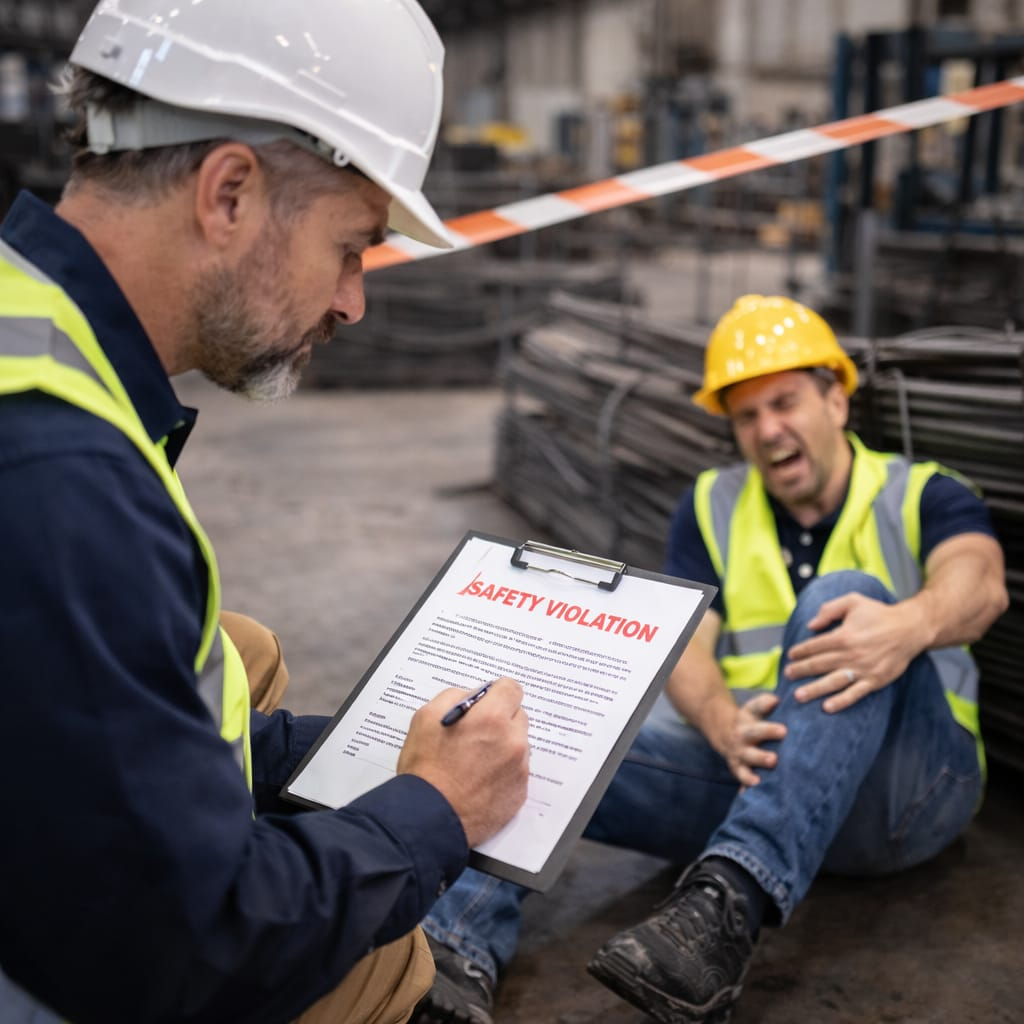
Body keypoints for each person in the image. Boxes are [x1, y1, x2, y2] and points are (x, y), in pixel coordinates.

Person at [0, 2, 532, 1023]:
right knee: (382, 961)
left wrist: (364, 754)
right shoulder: (60, 481)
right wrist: (434, 810)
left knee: (238, 652)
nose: (352, 302)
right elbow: (191, 949)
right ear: (230, 194)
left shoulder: (32, 320)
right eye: (351, 245)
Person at [413, 293, 1009, 1024]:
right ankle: (451, 958)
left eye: (785, 403)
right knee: (540, 735)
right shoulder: (712, 504)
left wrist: (909, 624)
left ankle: (728, 904)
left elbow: (980, 584)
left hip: (906, 798)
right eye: (747, 416)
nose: (768, 430)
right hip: (755, 775)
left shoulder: (923, 492)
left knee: (845, 595)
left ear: (836, 401)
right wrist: (722, 721)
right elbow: (686, 644)